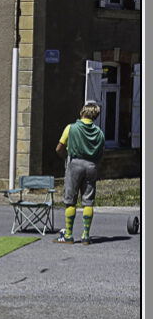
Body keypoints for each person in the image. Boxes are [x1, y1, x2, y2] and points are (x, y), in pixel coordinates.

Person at [53, 101, 106, 245]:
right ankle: (86, 236)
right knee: (88, 201)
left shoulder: (71, 128)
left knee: (70, 201)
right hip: (91, 166)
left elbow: (59, 148)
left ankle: (69, 235)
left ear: (82, 112)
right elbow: (101, 154)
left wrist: (66, 157)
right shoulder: (99, 133)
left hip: (74, 164)